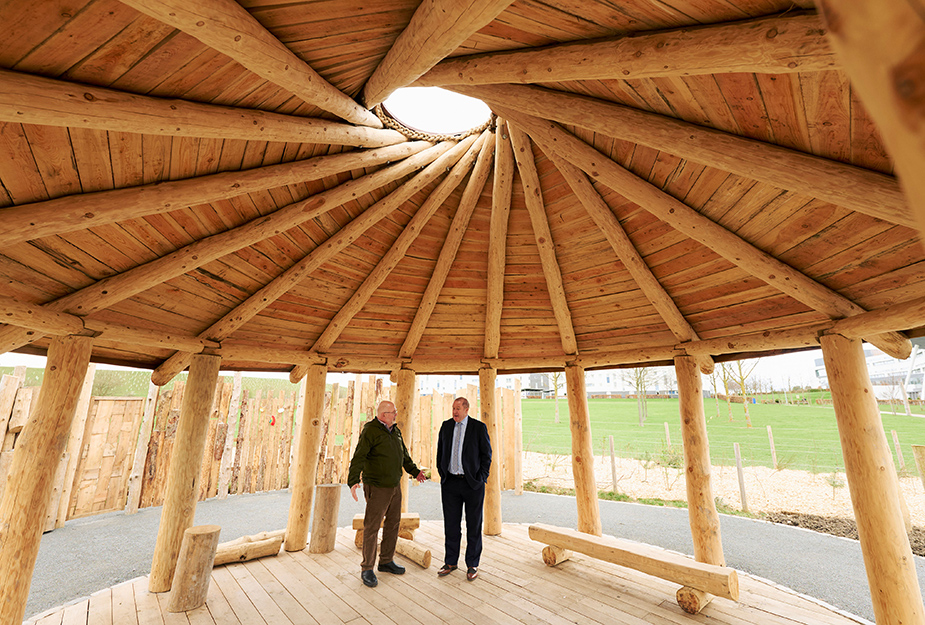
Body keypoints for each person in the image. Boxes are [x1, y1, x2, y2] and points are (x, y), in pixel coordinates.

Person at [347, 400, 426, 588]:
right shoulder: (371, 430)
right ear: (383, 415)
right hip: (377, 486)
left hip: (394, 486)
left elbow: (404, 456)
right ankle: (367, 568)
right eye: (393, 412)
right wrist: (353, 481)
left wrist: (415, 472)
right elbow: (359, 456)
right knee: (372, 527)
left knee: (393, 523)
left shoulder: (394, 430)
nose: (396, 414)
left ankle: (385, 561)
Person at [435, 396, 492, 581]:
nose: (455, 412)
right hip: (450, 483)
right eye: (453, 408)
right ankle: (450, 562)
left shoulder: (478, 428)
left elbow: (487, 455)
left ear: (466, 409)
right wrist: (443, 473)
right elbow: (440, 452)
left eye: (458, 408)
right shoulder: (446, 426)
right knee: (451, 524)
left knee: (473, 525)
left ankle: (472, 564)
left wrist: (481, 478)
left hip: (472, 484)